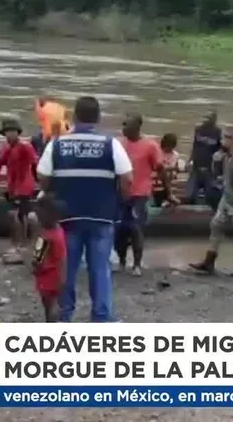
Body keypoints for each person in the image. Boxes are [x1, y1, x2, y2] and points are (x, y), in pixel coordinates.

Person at [36, 96, 133, 322]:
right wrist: (119, 201)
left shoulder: (57, 145)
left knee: (66, 268)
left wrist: (55, 192)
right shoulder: (111, 144)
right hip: (101, 216)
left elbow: (43, 177)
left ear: (75, 116)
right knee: (100, 269)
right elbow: (127, 179)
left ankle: (65, 315)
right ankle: (101, 317)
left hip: (66, 218)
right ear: (98, 117)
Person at [189, 126, 233, 278]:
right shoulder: (226, 156)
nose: (221, 141)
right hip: (227, 200)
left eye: (225, 138)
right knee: (216, 228)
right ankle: (209, 262)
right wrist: (216, 163)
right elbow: (220, 175)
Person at [116, 113, 176, 276]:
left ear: (137, 127)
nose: (124, 128)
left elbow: (161, 170)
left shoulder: (150, 146)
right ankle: (121, 262)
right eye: (123, 124)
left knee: (135, 228)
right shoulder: (118, 144)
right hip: (120, 193)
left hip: (140, 194)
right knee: (119, 230)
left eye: (127, 125)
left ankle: (136, 265)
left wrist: (169, 193)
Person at [0, 119, 38, 261]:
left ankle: (23, 245)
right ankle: (19, 244)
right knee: (17, 216)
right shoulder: (5, 149)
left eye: (12, 131)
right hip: (13, 187)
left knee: (21, 216)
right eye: (7, 132)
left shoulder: (25, 147)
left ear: (18, 133)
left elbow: (35, 164)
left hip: (25, 186)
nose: (10, 134)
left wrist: (39, 182)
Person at [30, 194, 66, 322]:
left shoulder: (45, 236)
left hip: (46, 275)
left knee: (49, 306)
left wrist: (35, 268)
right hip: (56, 274)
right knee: (53, 304)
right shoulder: (59, 231)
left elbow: (37, 258)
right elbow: (62, 258)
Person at [185, 111, 221, 204]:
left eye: (209, 118)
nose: (206, 120)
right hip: (196, 166)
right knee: (189, 196)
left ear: (214, 120)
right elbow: (194, 146)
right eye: (205, 118)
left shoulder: (218, 132)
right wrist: (189, 160)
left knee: (210, 197)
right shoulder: (198, 130)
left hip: (210, 168)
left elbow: (221, 151)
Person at [153, 133, 182, 207]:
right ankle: (168, 196)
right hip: (158, 175)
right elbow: (156, 166)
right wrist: (169, 168)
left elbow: (176, 168)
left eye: (171, 146)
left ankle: (168, 197)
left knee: (169, 176)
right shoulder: (157, 152)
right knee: (163, 173)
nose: (169, 148)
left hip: (170, 177)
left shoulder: (175, 155)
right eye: (168, 146)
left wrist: (175, 169)